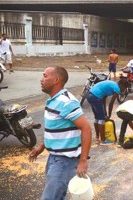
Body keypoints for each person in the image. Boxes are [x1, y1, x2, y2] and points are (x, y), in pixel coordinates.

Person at [29, 66, 92, 200]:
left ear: (56, 80)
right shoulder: (52, 101)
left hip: (65, 162)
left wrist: (83, 161)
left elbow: (86, 128)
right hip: (53, 158)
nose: (41, 79)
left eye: (45, 76)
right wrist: (42, 145)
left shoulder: (66, 102)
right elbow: (56, 129)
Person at [87, 79, 127, 145]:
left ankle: (97, 137)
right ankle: (103, 141)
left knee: (97, 117)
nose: (123, 90)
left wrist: (105, 113)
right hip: (96, 96)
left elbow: (104, 99)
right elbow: (111, 103)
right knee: (101, 119)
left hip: (89, 95)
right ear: (122, 85)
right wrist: (109, 115)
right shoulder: (117, 89)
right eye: (124, 88)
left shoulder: (112, 84)